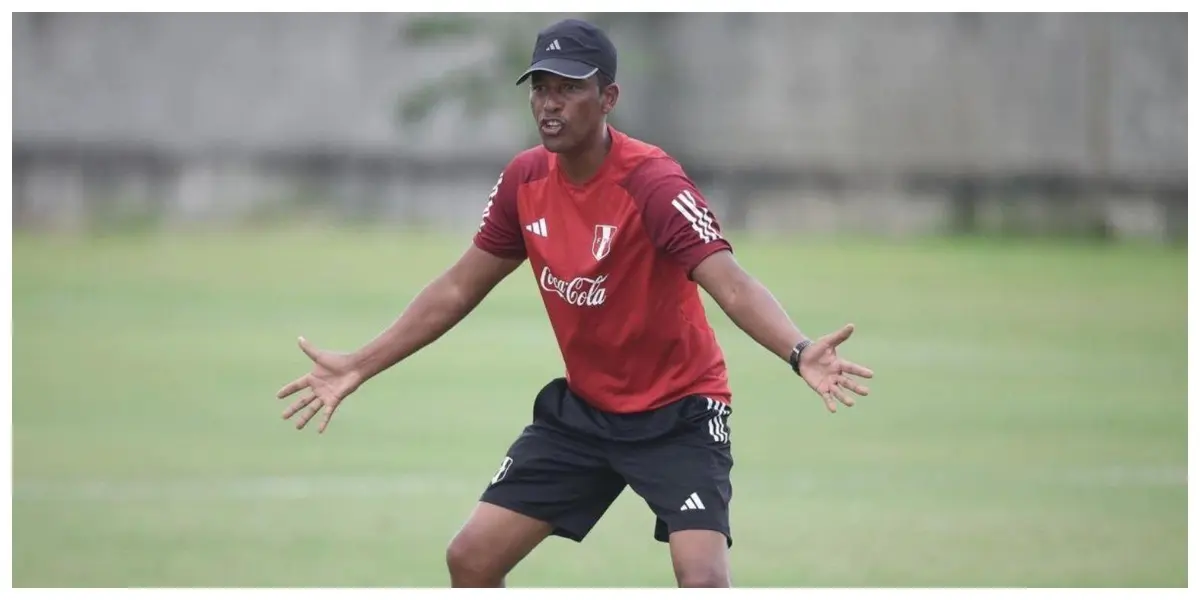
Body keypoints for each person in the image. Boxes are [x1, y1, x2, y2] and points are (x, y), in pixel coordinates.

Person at [275, 18, 874, 588]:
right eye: (540, 88)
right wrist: (359, 363)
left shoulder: (654, 185)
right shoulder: (525, 180)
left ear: (608, 98)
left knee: (703, 578)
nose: (549, 103)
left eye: (569, 89)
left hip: (680, 412)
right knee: (471, 559)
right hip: (585, 414)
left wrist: (798, 351)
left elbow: (732, 283)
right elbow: (458, 288)